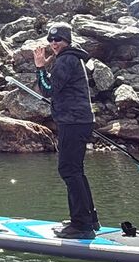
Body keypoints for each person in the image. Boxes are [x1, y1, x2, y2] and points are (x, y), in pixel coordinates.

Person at [33, 22, 100, 239]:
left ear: (67, 41)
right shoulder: (72, 58)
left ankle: (81, 225)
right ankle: (89, 219)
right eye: (51, 40)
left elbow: (49, 89)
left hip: (73, 122)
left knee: (69, 170)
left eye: (58, 39)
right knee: (75, 170)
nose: (53, 44)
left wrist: (40, 67)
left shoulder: (66, 59)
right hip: (78, 121)